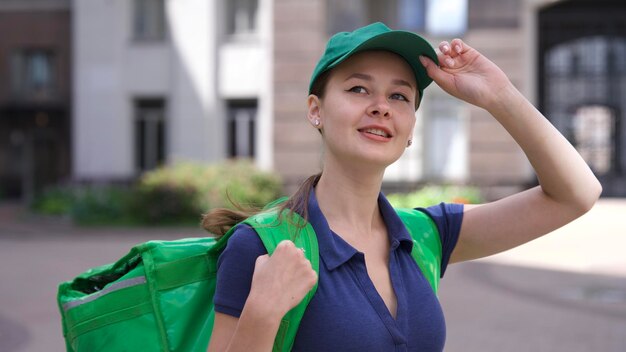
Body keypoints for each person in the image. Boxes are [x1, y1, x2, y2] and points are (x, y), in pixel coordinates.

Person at [204, 22, 602, 352]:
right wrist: (262, 313)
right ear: (316, 110)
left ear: (410, 129)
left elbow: (576, 194)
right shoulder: (263, 247)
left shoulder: (425, 235)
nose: (381, 105)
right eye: (358, 88)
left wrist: (499, 96)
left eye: (400, 95)